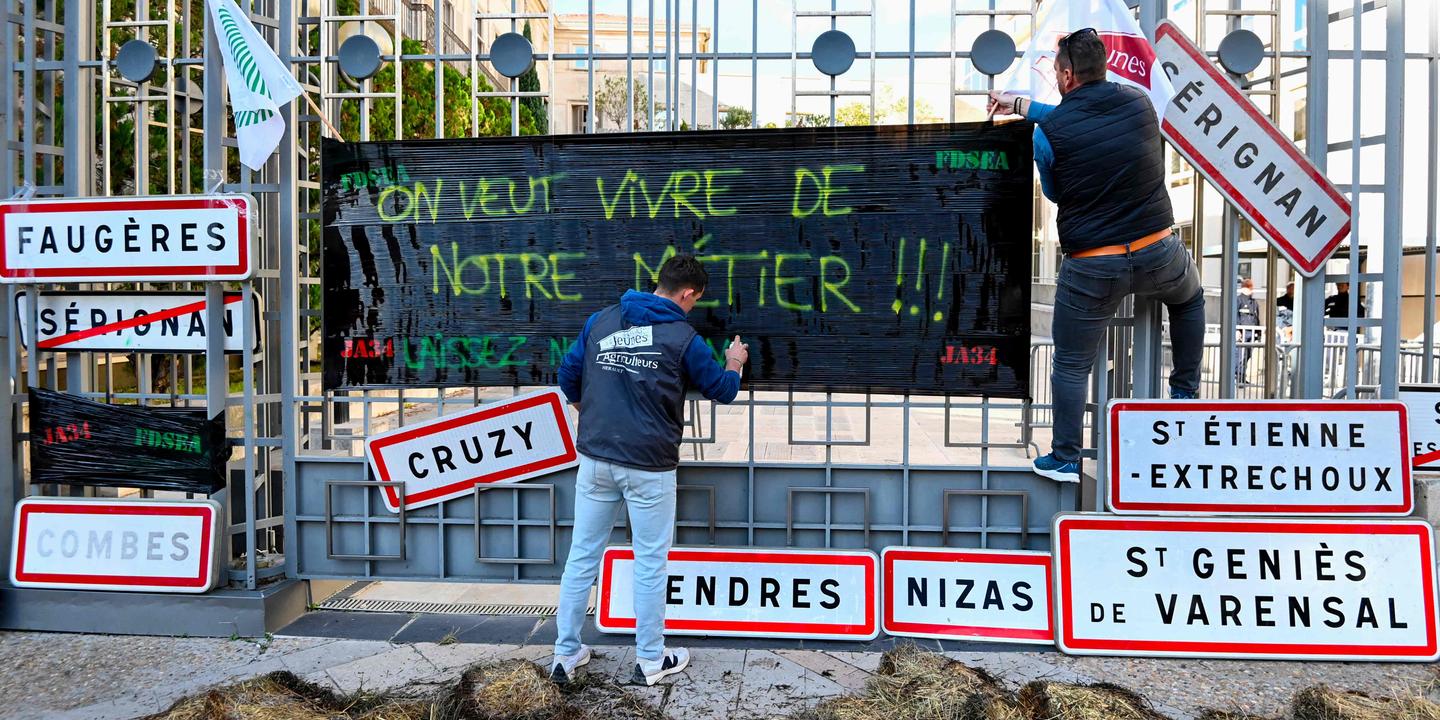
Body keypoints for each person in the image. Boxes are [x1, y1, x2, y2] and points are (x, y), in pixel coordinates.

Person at [989, 28, 1205, 484]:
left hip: (1092, 262)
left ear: (1066, 74)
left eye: (1055, 70)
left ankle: (1066, 456)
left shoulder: (1048, 134)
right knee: (1190, 300)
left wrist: (1022, 111)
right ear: (1103, 66)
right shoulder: (1140, 103)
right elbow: (1071, 115)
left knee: (1070, 362)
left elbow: (1053, 190)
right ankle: (1184, 392)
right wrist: (1023, 107)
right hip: (1157, 248)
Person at [550, 254, 749, 687]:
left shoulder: (602, 319)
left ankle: (565, 655)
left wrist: (591, 411)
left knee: (582, 557)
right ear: (688, 293)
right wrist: (734, 361)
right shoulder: (683, 337)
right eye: (695, 300)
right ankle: (650, 660)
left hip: (596, 460)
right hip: (650, 468)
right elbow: (721, 390)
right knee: (650, 564)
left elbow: (567, 375)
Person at [1235, 277, 1261, 385]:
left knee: (1247, 355)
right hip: (1243, 332)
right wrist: (1237, 330)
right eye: (1251, 288)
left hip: (1252, 332)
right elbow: (1235, 316)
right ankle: (1238, 376)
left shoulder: (1254, 302)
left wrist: (1258, 334)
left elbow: (1257, 318)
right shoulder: (1238, 300)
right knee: (1240, 356)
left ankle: (1241, 376)